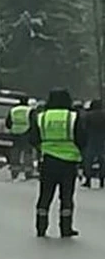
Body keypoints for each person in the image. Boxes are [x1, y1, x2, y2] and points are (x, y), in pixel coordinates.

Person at [29, 88, 86, 238]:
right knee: (66, 197)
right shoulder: (73, 117)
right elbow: (82, 138)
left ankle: (41, 228)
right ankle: (65, 228)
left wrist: (44, 148)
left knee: (45, 196)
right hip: (68, 163)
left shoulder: (41, 117)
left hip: (48, 161)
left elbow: (33, 138)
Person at [5, 96, 35, 180]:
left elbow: (8, 123)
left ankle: (14, 172)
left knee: (15, 151)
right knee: (27, 152)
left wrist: (13, 128)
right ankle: (28, 171)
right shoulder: (30, 110)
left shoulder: (13, 110)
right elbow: (33, 122)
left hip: (15, 133)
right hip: (26, 133)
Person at [82, 99, 105, 188]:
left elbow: (84, 128)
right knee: (102, 160)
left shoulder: (88, 116)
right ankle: (102, 180)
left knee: (88, 160)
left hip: (90, 139)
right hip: (102, 140)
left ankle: (88, 180)